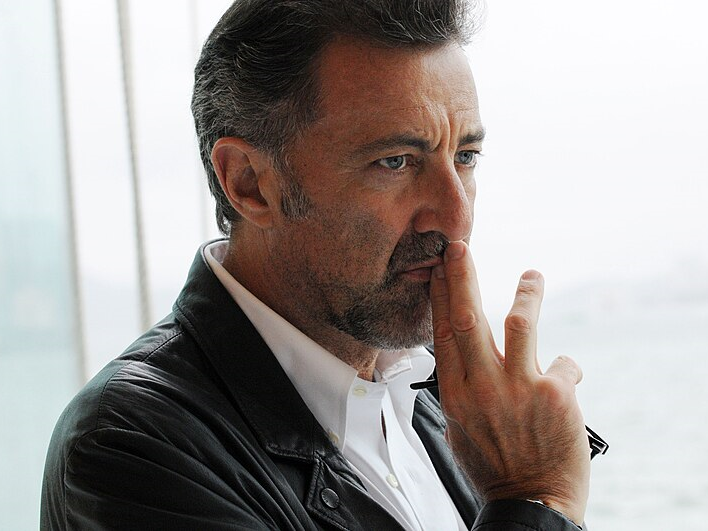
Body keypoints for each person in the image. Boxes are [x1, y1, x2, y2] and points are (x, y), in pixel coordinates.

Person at [41, 1, 594, 529]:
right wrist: (535, 495)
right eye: (395, 162)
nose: (456, 218)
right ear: (249, 183)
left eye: (465, 157)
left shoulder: (430, 396)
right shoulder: (126, 446)